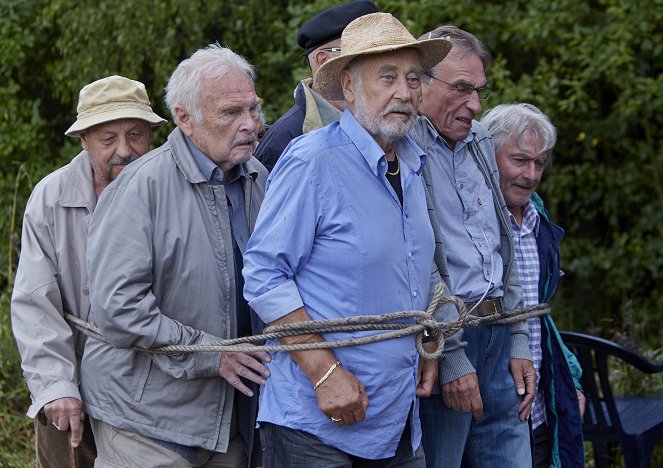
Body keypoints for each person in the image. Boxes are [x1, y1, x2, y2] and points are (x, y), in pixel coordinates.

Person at [242, 12, 451, 467]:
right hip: (316, 427)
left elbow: (410, 274)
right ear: (350, 88)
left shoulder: (414, 165)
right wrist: (325, 373)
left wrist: (426, 341)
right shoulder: (313, 161)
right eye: (387, 77)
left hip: (396, 417)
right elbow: (263, 275)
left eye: (413, 78)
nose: (404, 92)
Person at [80, 44, 270, 467]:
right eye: (231, 113)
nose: (250, 125)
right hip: (145, 421)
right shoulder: (140, 187)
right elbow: (118, 309)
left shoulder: (259, 177)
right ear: (184, 119)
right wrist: (208, 353)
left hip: (231, 416)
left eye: (253, 109)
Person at [10, 75, 166, 468]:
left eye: (135, 134)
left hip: (148, 390)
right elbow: (35, 301)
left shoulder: (171, 192)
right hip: (72, 379)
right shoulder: (51, 197)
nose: (124, 150)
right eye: (107, 138)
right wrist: (57, 386)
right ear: (83, 140)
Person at [409, 25, 536, 467]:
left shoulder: (480, 140)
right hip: (445, 341)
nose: (476, 105)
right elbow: (413, 260)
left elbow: (504, 246)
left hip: (499, 333)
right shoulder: (401, 148)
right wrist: (451, 356)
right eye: (461, 89)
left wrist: (519, 337)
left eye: (480, 90)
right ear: (419, 83)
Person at [481, 103, 586, 467]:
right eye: (520, 160)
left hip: (539, 410)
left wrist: (569, 378)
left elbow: (542, 320)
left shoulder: (538, 220)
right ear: (487, 154)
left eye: (539, 163)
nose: (530, 174)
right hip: (489, 411)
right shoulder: (473, 224)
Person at [254, 0, 378, 171]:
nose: (376, 63)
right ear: (323, 60)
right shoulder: (283, 141)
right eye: (361, 54)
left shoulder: (379, 120)